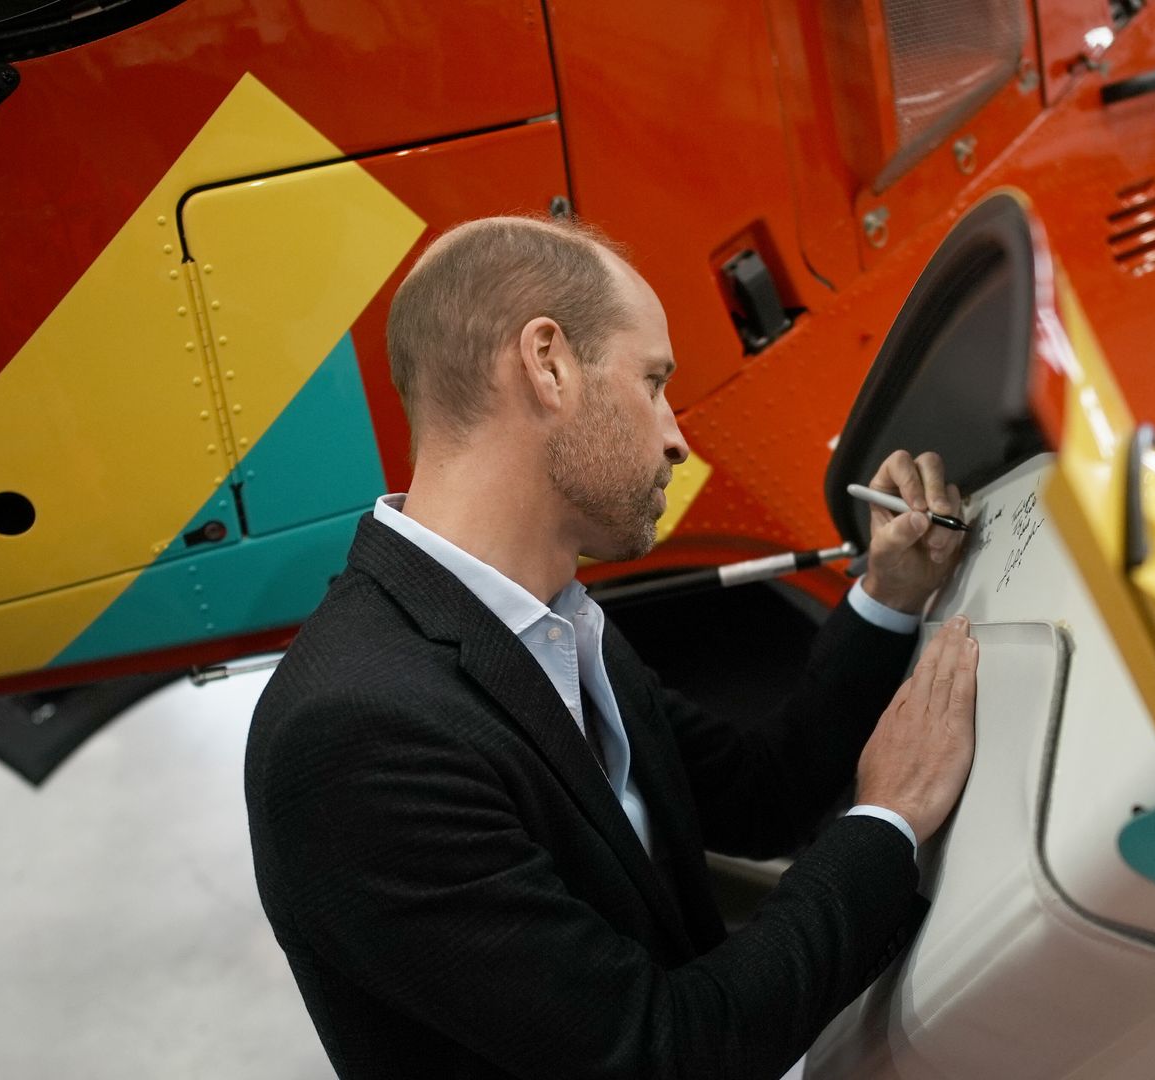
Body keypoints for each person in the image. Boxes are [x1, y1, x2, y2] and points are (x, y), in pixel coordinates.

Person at [244, 214, 980, 1079]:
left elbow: (762, 792)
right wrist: (887, 823)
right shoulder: (358, 738)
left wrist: (889, 595)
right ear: (548, 364)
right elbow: (662, 1053)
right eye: (653, 381)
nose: (675, 436)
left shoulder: (554, 625)